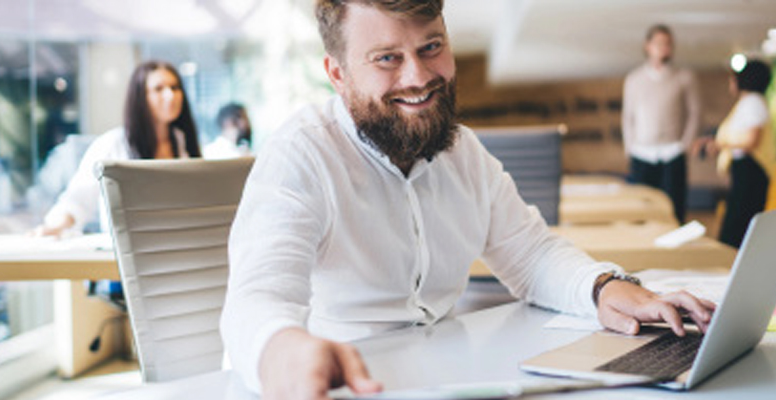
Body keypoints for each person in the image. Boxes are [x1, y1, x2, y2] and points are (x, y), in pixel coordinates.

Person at [219, 1, 717, 399]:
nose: (418, 77)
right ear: (338, 74)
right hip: (345, 379)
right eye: (387, 58)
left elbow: (532, 254)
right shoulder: (301, 155)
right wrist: (281, 352)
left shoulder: (463, 150)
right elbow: (255, 300)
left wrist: (606, 287)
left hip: (450, 375)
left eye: (431, 47)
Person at [33, 61, 202, 237]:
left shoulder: (182, 142)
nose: (170, 95)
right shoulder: (113, 143)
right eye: (159, 89)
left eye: (175, 87)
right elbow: (79, 198)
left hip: (178, 244)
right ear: (140, 97)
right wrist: (56, 227)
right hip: (129, 250)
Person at [622, 24, 701, 223]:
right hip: (642, 153)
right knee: (641, 208)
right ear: (647, 46)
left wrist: (685, 144)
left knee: (675, 209)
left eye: (668, 43)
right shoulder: (634, 79)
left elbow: (695, 112)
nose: (664, 47)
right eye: (659, 43)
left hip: (672, 152)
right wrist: (629, 147)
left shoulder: (684, 77)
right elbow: (627, 116)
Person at [697, 60, 771, 248]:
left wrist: (721, 144)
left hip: (750, 171)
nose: (731, 82)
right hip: (745, 170)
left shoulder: (753, 103)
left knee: (736, 231)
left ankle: (730, 271)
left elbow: (751, 141)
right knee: (737, 229)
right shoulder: (748, 103)